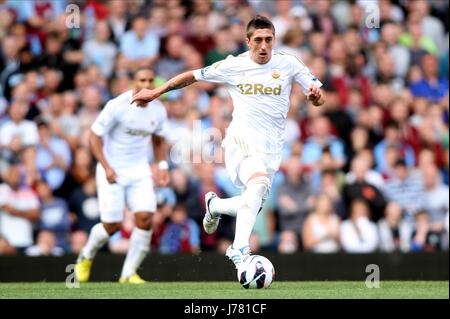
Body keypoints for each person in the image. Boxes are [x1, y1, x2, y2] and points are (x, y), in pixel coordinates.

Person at [132, 15, 324, 270]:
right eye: (258, 40)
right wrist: (158, 91)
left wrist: (315, 98)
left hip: (272, 148)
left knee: (252, 202)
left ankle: (215, 205)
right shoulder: (235, 65)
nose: (264, 45)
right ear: (248, 41)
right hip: (240, 140)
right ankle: (239, 248)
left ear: (274, 40)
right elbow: (192, 76)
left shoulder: (289, 64)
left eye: (268, 40)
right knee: (258, 184)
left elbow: (318, 97)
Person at [74, 67, 170, 284]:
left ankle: (128, 273)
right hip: (112, 168)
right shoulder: (117, 105)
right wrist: (106, 166)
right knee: (112, 225)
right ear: (133, 83)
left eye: (150, 80)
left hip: (139, 169)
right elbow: (93, 137)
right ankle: (86, 255)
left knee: (145, 218)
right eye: (141, 80)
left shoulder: (158, 110)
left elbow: (158, 140)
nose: (146, 85)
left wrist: (162, 165)